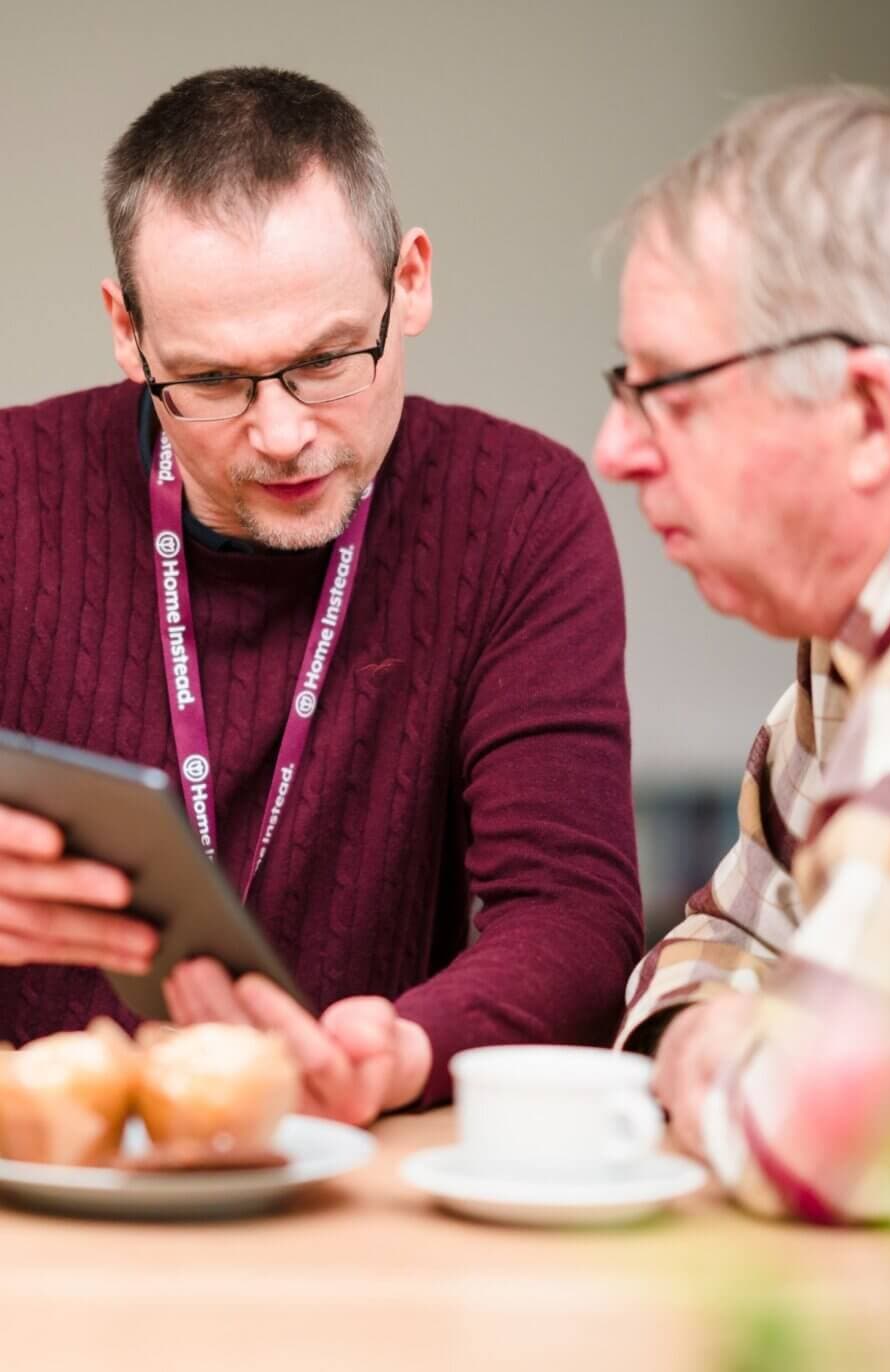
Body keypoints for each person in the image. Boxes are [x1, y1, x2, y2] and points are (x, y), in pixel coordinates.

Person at [0, 66, 642, 1124]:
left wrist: (401, 1049)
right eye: (210, 381)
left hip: (365, 1172)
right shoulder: (16, 486)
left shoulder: (518, 510)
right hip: (45, 1176)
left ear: (414, 279)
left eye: (328, 359)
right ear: (127, 332)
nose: (283, 432)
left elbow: (571, 913)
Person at [595, 85, 890, 1220]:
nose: (614, 448)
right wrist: (715, 1029)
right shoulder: (853, 622)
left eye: (665, 389)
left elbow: (810, 1131)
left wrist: (713, 1047)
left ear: (869, 414)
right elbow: (715, 940)